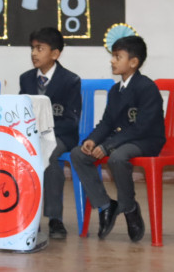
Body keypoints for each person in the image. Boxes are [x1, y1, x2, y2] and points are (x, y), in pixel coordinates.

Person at [69, 35, 165, 243]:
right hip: (122, 139)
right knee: (78, 154)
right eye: (113, 56)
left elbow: (142, 127)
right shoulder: (115, 90)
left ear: (133, 62)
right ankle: (105, 205)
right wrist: (93, 140)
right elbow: (107, 123)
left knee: (117, 158)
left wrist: (108, 146)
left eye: (117, 57)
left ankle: (129, 208)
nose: (112, 61)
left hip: (146, 140)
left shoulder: (147, 88)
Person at [18, 27, 81, 240]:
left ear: (55, 54)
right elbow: (22, 111)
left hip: (60, 136)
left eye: (40, 49)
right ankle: (26, 215)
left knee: (50, 154)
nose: (34, 53)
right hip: (32, 136)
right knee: (21, 153)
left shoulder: (70, 80)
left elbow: (71, 121)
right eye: (32, 48)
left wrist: (44, 133)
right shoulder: (26, 79)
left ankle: (55, 218)